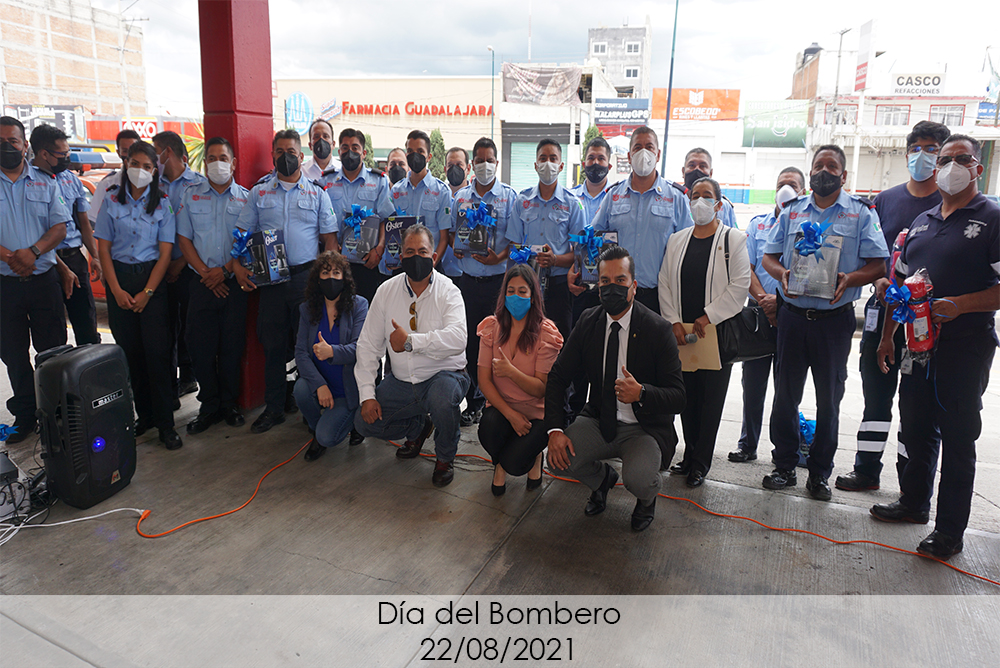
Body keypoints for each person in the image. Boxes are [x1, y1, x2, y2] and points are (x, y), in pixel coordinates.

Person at [871, 134, 999, 560]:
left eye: (961, 158)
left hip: (965, 348)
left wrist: (961, 304)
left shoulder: (992, 219)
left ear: (977, 167)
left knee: (959, 437)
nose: (949, 166)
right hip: (917, 346)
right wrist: (887, 337)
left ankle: (949, 532)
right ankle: (913, 503)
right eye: (944, 159)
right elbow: (900, 286)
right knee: (916, 427)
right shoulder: (922, 222)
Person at [761, 144, 888, 500]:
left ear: (843, 175)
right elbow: (769, 256)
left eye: (831, 166)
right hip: (792, 318)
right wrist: (782, 274)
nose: (823, 172)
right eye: (818, 165)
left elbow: (879, 263)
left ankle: (819, 474)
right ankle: (784, 466)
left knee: (829, 400)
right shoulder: (792, 211)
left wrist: (851, 278)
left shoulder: (860, 213)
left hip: (834, 322)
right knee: (785, 397)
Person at [836, 120, 949, 493]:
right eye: (916, 148)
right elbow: (870, 255)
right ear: (906, 154)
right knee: (876, 396)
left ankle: (909, 484)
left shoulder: (949, 203)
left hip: (926, 322)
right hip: (881, 312)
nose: (922, 155)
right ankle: (866, 470)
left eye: (931, 149)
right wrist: (877, 280)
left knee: (916, 406)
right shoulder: (885, 200)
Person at [545, 246, 686, 532]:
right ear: (597, 288)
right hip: (599, 420)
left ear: (634, 286)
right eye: (605, 281)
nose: (612, 288)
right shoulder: (588, 321)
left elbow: (679, 397)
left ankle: (646, 499)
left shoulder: (658, 329)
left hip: (643, 428)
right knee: (557, 460)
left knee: (640, 479)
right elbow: (558, 376)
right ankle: (602, 480)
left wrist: (642, 393)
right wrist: (555, 430)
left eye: (620, 281)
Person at [235, 129, 339, 434]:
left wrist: (329, 279)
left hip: (306, 279)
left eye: (291, 152)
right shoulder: (259, 193)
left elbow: (330, 240)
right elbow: (241, 233)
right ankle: (274, 407)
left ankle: (310, 408)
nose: (285, 157)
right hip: (270, 280)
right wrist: (238, 265)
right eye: (279, 152)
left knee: (309, 345)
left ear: (301, 156)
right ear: (272, 155)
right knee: (273, 345)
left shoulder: (317, 193)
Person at [353, 224, 470, 487]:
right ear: (401, 257)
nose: (416, 257)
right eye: (409, 252)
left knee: (442, 398)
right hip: (403, 382)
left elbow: (458, 339)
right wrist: (367, 395)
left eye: (422, 251)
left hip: (445, 376)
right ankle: (418, 428)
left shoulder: (449, 291)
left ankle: (444, 457)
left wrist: (410, 343)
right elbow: (368, 345)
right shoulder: (386, 291)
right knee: (363, 422)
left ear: (434, 257)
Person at [659, 177, 751, 487]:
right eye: (695, 195)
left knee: (710, 400)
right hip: (682, 332)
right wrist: (673, 320)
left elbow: (740, 285)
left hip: (715, 332)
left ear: (718, 204)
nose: (700, 201)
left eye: (707, 196)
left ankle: (701, 463)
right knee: (686, 396)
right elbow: (664, 282)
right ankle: (688, 456)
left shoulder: (733, 239)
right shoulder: (677, 240)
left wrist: (709, 315)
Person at [94, 140, 181, 449]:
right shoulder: (111, 200)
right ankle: (144, 417)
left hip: (151, 283)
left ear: (155, 170)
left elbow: (165, 253)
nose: (140, 171)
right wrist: (116, 289)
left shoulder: (162, 204)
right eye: (135, 164)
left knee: (157, 356)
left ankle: (166, 425)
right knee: (131, 355)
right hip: (119, 281)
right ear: (126, 164)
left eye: (147, 166)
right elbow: (103, 249)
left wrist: (148, 292)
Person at [728, 167, 807, 463]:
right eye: (781, 184)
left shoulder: (808, 226)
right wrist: (764, 301)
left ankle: (784, 452)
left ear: (803, 191)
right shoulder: (758, 225)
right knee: (752, 385)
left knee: (787, 390)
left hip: (792, 314)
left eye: (793, 185)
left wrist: (781, 302)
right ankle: (747, 444)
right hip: (758, 315)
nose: (786, 189)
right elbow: (745, 268)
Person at [0, 115, 70, 444]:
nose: (6, 146)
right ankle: (26, 415)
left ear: (24, 144)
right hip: (5, 285)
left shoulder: (46, 182)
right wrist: (12, 258)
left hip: (43, 282)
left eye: (12, 141)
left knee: (53, 352)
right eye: (1, 142)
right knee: (14, 355)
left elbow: (60, 227)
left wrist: (33, 252)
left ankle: (56, 414)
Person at [175, 136, 250, 433]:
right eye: (212, 158)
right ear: (205, 163)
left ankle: (229, 404)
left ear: (234, 163)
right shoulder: (190, 196)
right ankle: (208, 406)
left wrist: (224, 271)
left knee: (232, 347)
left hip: (233, 283)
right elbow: (184, 239)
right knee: (201, 348)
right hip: (201, 283)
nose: (218, 163)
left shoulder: (246, 198)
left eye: (223, 158)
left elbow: (248, 241)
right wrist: (207, 273)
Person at [477, 264, 562, 494]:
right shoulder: (492, 327)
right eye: (511, 291)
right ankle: (499, 465)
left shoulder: (546, 333)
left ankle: (534, 457)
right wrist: (510, 414)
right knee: (488, 428)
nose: (516, 297)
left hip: (536, 414)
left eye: (522, 291)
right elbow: (484, 380)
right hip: (502, 407)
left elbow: (541, 389)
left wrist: (511, 372)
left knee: (516, 464)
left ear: (533, 297)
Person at [451, 137, 517, 427]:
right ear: (472, 164)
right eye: (479, 160)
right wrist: (457, 246)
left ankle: (497, 401)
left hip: (497, 282)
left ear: (497, 163)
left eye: (489, 160)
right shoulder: (460, 198)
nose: (485, 165)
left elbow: (515, 239)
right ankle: (473, 401)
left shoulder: (509, 197)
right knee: (470, 344)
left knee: (498, 343)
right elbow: (452, 234)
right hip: (467, 282)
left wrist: (498, 258)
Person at [591, 126, 693, 314]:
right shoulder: (613, 195)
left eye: (649, 147)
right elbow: (593, 238)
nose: (643, 153)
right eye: (637, 147)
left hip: (660, 296)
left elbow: (688, 247)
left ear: (658, 154)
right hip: (618, 293)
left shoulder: (676, 198)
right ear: (629, 157)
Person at [505, 138, 586, 340]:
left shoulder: (572, 204)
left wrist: (555, 260)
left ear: (561, 165)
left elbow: (581, 254)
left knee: (558, 341)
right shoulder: (522, 201)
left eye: (553, 158)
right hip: (527, 285)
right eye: (543, 158)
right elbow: (513, 246)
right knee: (526, 338)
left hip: (559, 286)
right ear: (535, 165)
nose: (547, 163)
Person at [29, 123, 102, 346]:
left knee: (86, 323)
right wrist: (60, 267)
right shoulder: (26, 182)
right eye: (63, 154)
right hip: (45, 263)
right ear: (44, 154)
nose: (67, 158)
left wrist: (95, 256)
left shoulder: (70, 179)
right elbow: (32, 232)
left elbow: (83, 223)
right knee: (52, 330)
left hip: (74, 258)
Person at [294, 251, 368, 461]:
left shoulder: (359, 305)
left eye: (336, 273)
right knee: (300, 389)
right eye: (325, 273)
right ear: (318, 279)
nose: (331, 278)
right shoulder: (307, 309)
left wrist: (332, 352)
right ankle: (317, 428)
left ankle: (353, 421)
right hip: (323, 385)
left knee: (328, 437)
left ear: (344, 278)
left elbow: (360, 349)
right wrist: (319, 385)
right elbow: (300, 352)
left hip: (346, 390)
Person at [153, 130, 207, 401]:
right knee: (163, 329)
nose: (155, 160)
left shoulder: (199, 184)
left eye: (156, 153)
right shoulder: (153, 184)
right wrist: (165, 264)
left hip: (190, 266)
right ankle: (168, 387)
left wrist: (180, 262)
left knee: (191, 327)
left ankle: (189, 376)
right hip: (159, 268)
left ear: (168, 152)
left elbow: (202, 231)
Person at [317, 128, 395, 304]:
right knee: (334, 310)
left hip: (367, 261)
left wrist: (379, 248)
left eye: (355, 148)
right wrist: (330, 245)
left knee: (365, 311)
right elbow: (319, 221)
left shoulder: (379, 181)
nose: (349, 152)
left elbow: (385, 219)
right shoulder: (325, 181)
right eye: (345, 148)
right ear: (339, 151)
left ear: (364, 153)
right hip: (334, 262)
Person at [391, 130, 452, 280]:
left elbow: (444, 237)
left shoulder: (442, 191)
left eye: (420, 151)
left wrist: (431, 265)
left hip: (431, 266)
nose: (415, 155)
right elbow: (390, 230)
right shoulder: (396, 191)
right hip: (402, 266)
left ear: (429, 156)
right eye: (410, 151)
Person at [568, 135, 612, 322]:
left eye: (601, 158)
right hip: (577, 281)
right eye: (591, 158)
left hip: (608, 282)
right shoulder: (570, 198)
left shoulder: (616, 197)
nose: (595, 163)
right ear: (583, 164)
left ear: (609, 166)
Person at [679, 148, 738, 228]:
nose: (697, 169)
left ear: (710, 173)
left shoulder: (724, 205)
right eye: (692, 165)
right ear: (683, 171)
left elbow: (732, 233)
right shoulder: (675, 201)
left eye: (702, 166)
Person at [91, 129, 140, 221]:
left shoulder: (153, 181)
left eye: (133, 150)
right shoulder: (107, 184)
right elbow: (95, 219)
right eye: (125, 151)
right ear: (118, 153)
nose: (129, 155)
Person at [438, 146, 469, 281]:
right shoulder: (438, 197)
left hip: (466, 273)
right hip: (441, 272)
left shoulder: (476, 199)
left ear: (468, 169)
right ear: (445, 170)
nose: (454, 169)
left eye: (459, 165)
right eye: (450, 165)